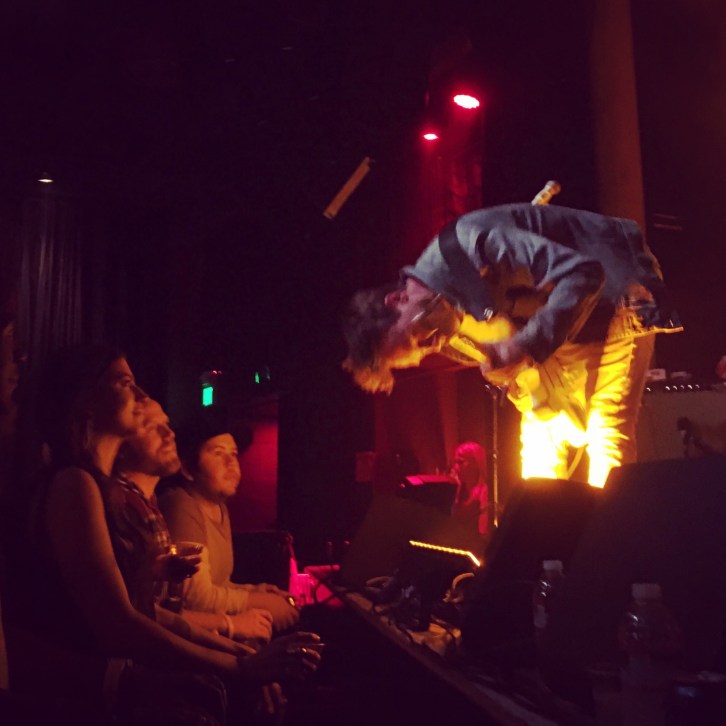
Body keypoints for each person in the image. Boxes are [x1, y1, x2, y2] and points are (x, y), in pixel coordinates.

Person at [10, 345, 320, 724]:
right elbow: (117, 625)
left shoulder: (98, 487)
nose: (141, 396)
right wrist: (237, 667)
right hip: (83, 698)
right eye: (125, 383)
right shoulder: (73, 483)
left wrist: (238, 655)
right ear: (84, 401)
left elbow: (146, 609)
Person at [342, 203, 682, 487]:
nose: (433, 344)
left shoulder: (476, 242)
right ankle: (544, 538)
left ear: (398, 299)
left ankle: (610, 539)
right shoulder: (442, 329)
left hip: (614, 300)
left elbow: (584, 274)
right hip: (559, 337)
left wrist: (525, 348)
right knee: (540, 442)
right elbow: (520, 369)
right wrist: (513, 376)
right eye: (423, 351)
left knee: (607, 436)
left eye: (417, 337)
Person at [115, 398, 279, 642]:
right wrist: (232, 629)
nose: (169, 433)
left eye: (233, 454)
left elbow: (161, 608)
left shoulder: (150, 506)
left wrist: (257, 592)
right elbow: (150, 614)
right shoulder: (140, 504)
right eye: (151, 426)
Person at [159, 413, 300, 633]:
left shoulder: (219, 506)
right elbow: (195, 597)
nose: (231, 462)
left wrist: (257, 591)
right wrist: (260, 602)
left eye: (233, 454)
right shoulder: (181, 504)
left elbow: (218, 584)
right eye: (218, 453)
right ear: (187, 469)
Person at [449, 441, 489, 538]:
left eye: (460, 462)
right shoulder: (459, 491)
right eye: (455, 462)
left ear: (476, 463)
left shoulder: (485, 492)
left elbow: (484, 531)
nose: (456, 467)